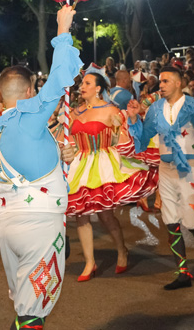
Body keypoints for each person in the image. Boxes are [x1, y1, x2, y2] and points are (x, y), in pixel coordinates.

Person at [0, 5, 81, 330]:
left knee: (25, 306)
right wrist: (62, 30)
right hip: (38, 227)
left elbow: (27, 162)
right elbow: (58, 80)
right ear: (29, 93)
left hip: (8, 228)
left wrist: (60, 154)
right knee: (32, 314)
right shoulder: (28, 118)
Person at [126, 66, 194, 290]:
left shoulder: (192, 106)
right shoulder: (155, 109)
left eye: (166, 81)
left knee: (191, 221)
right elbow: (143, 140)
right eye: (160, 81)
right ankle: (183, 272)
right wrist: (134, 120)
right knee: (170, 219)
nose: (160, 85)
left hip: (188, 168)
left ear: (179, 83)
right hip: (165, 168)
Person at [66, 67, 155, 282]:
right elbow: (69, 140)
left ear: (98, 88)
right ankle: (90, 262)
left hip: (105, 163)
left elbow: (123, 141)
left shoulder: (112, 110)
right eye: (82, 83)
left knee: (106, 215)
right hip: (80, 165)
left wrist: (120, 136)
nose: (82, 87)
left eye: (87, 83)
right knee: (81, 214)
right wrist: (67, 152)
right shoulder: (74, 112)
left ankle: (122, 250)